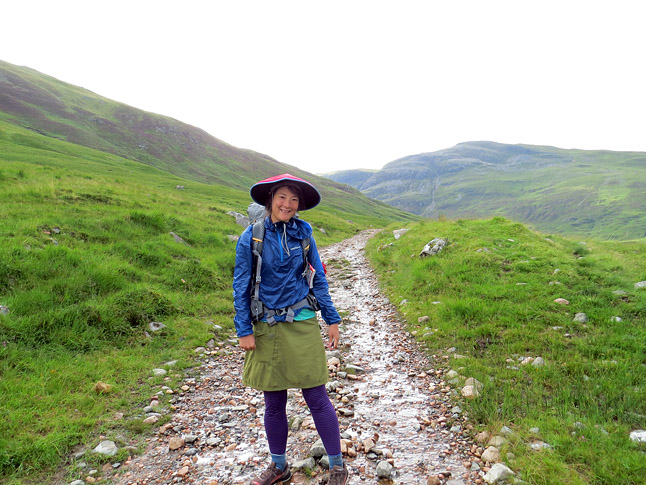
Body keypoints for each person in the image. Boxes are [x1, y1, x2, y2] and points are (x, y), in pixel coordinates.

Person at [233, 174, 349, 485]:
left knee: (315, 394)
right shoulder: (252, 237)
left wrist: (332, 318)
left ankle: (338, 466)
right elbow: (241, 284)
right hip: (266, 327)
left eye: (294, 199)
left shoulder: (305, 234)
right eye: (283, 197)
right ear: (270, 199)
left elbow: (318, 278)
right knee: (274, 400)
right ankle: (279, 466)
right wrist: (244, 328)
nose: (288, 204)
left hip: (302, 321)